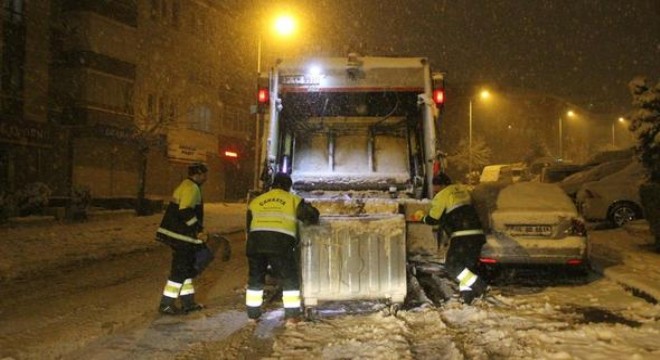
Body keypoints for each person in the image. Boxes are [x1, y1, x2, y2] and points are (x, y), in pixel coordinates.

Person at [245, 172, 319, 323]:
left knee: (255, 279)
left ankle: (253, 315)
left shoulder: (256, 201)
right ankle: (292, 316)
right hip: (280, 242)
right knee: (289, 279)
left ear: (273, 185)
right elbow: (311, 215)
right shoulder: (292, 200)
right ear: (288, 187)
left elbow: (249, 225)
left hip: (255, 242)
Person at [416, 172, 488, 304]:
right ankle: (467, 297)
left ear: (441, 185)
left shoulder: (442, 195)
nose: (435, 191)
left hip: (462, 235)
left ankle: (479, 285)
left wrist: (421, 217)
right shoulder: (463, 191)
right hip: (477, 235)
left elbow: (433, 219)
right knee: (467, 268)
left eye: (435, 188)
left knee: (452, 266)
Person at [155, 162, 209, 315]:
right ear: (198, 174)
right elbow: (185, 210)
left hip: (176, 234)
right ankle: (166, 304)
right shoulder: (192, 188)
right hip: (182, 237)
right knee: (180, 271)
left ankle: (188, 302)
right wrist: (198, 229)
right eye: (204, 175)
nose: (206, 178)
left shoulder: (184, 185)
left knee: (186, 270)